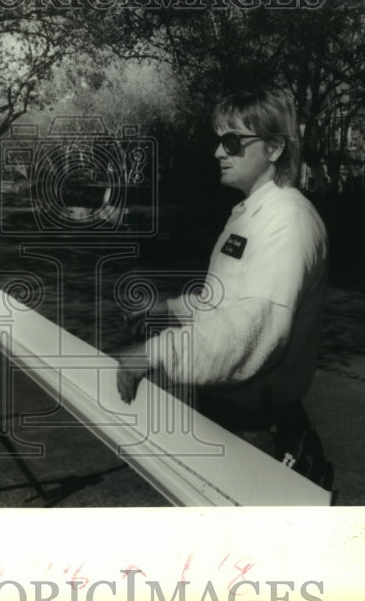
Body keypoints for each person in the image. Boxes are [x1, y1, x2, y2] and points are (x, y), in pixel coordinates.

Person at [114, 87, 333, 489]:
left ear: (274, 148)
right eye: (219, 140)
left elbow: (256, 324)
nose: (219, 152)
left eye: (232, 141)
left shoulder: (288, 221)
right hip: (228, 414)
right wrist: (168, 310)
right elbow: (228, 302)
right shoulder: (254, 212)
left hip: (257, 429)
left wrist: (155, 352)